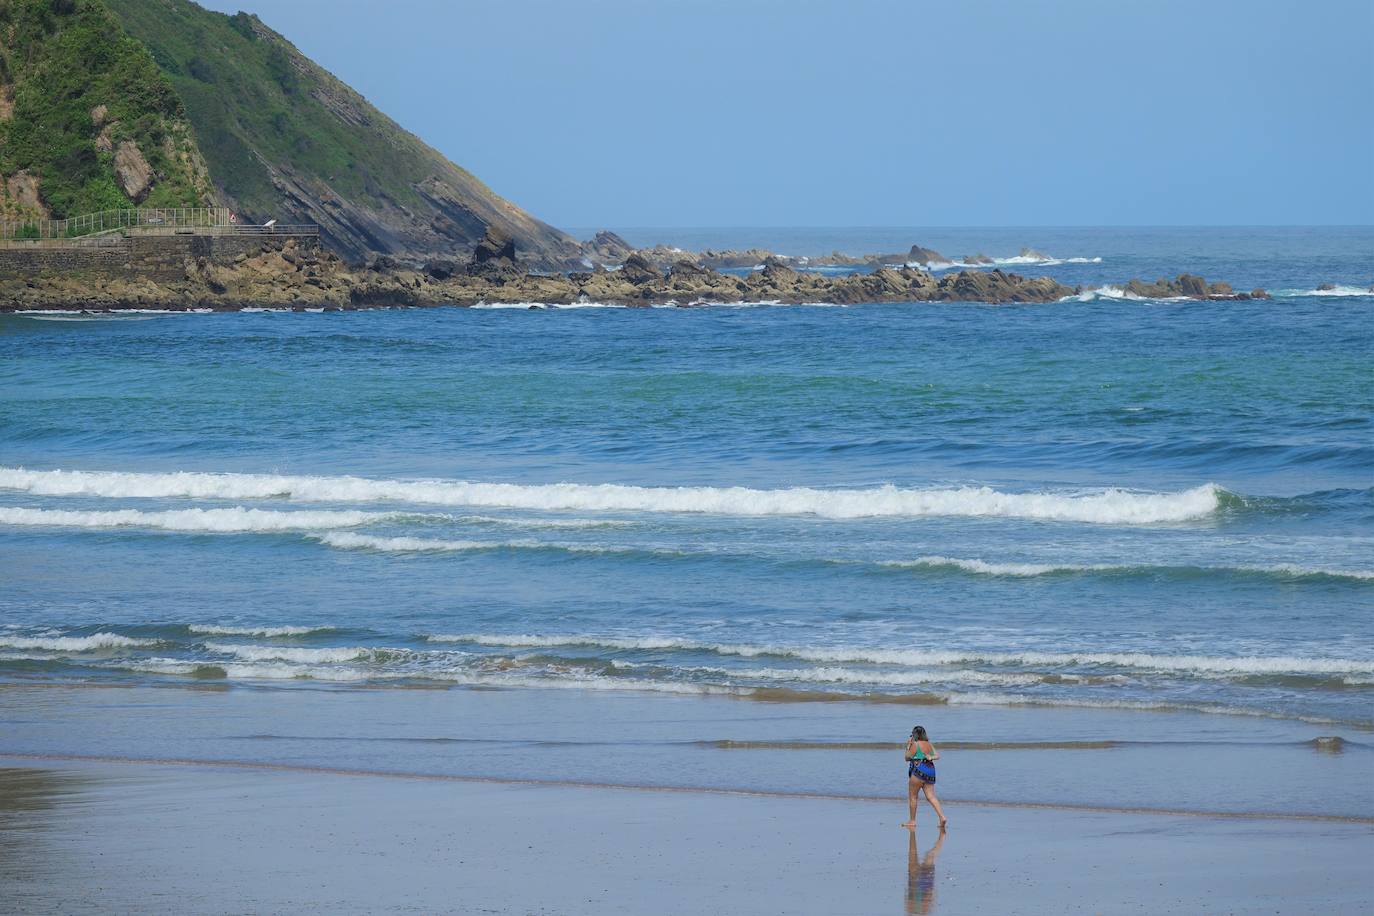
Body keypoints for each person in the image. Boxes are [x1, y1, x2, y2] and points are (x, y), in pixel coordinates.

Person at [901, 725, 948, 828]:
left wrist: (908, 746)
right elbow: (937, 756)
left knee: (913, 797)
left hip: (918, 770)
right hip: (930, 770)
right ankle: (942, 817)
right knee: (931, 796)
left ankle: (912, 821)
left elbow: (907, 757)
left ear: (914, 735)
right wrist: (930, 757)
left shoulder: (915, 744)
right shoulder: (929, 744)